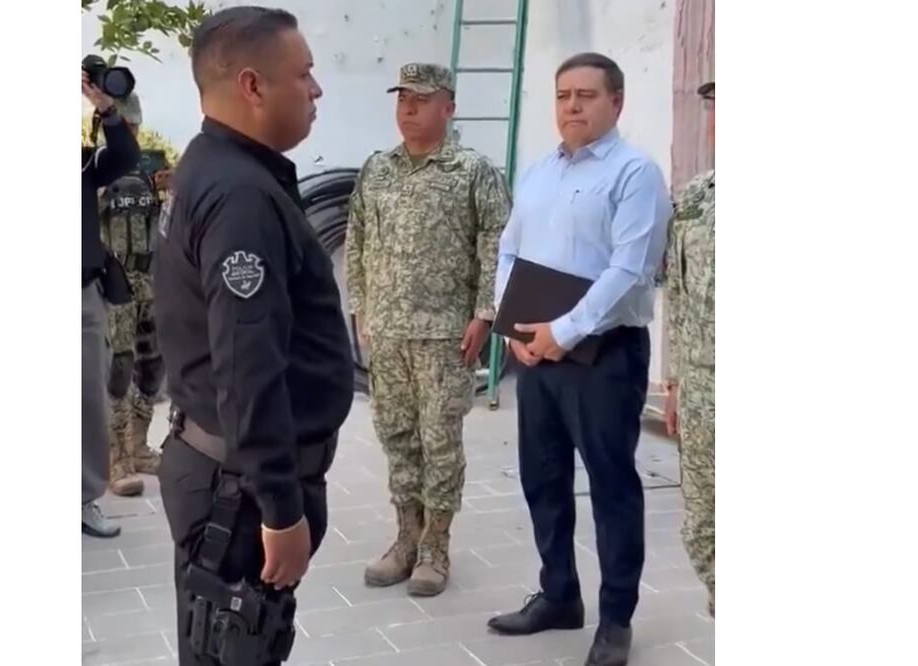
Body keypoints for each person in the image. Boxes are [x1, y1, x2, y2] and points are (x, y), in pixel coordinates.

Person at [151, 7, 354, 666]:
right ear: (252, 86)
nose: (316, 90)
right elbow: (247, 363)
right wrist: (279, 509)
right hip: (237, 493)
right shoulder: (240, 195)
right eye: (305, 75)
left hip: (223, 474)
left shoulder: (214, 165)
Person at [487, 53, 672, 666]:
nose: (572, 105)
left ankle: (616, 617)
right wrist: (511, 325)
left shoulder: (634, 173)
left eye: (586, 95)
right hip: (535, 353)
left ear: (615, 102)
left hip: (604, 355)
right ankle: (558, 594)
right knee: (542, 478)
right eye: (563, 94)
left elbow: (629, 268)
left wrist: (563, 331)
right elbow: (509, 250)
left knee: (611, 484)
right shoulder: (538, 172)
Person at [345, 62, 510, 597]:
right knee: (397, 437)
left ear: (449, 107)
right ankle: (405, 539)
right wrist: (360, 307)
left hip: (444, 335)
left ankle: (437, 547)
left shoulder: (472, 170)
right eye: (402, 99)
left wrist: (486, 312)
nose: (408, 109)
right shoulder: (378, 170)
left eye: (421, 99)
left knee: (440, 443)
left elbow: (498, 243)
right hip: (388, 333)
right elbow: (358, 239)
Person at [664, 79, 715, 618]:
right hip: (702, 388)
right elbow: (676, 293)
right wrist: (674, 381)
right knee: (703, 522)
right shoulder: (698, 197)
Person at [97, 92, 165, 497]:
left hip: (149, 281)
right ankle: (115, 458)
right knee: (119, 369)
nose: (132, 130)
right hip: (115, 282)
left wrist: (172, 188)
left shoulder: (152, 164)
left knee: (153, 364)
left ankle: (139, 444)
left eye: (135, 124)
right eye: (126, 124)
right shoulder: (93, 166)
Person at [82, 67, 140, 538]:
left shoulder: (79, 161)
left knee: (86, 401)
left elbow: (124, 156)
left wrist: (104, 108)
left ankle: (83, 500)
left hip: (80, 293)